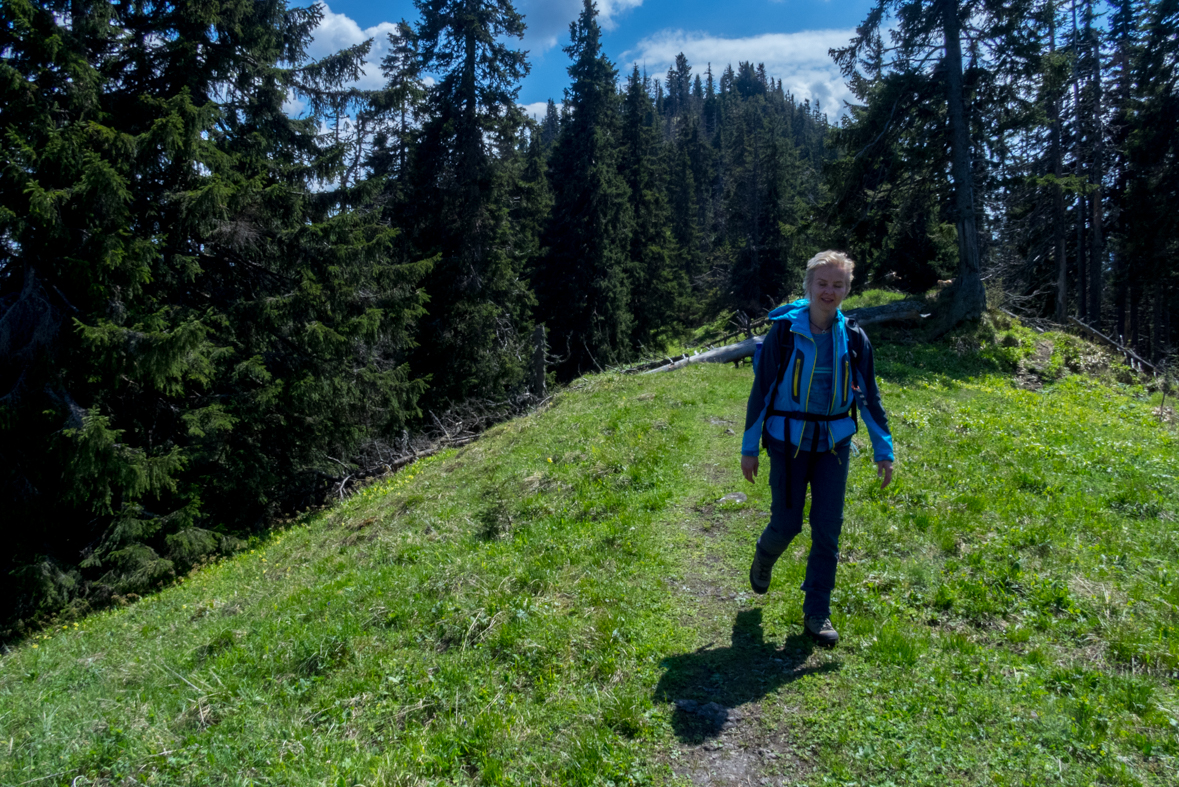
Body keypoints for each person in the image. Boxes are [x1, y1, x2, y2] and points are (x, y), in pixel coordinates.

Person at [740, 250, 894, 646]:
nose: (829, 291)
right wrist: (749, 447)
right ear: (808, 286)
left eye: (837, 284)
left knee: (828, 529)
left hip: (834, 445)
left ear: (847, 289)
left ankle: (817, 611)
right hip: (787, 440)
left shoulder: (855, 338)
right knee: (787, 524)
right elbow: (762, 392)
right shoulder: (784, 334)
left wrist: (884, 450)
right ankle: (764, 556)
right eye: (822, 283)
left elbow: (869, 398)